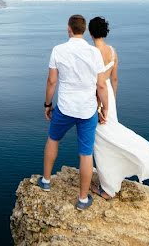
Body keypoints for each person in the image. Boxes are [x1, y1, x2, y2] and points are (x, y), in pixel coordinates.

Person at [89, 16, 149, 199]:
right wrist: (111, 102)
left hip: (97, 97)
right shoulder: (112, 51)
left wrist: (99, 105)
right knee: (111, 134)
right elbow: (114, 79)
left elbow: (95, 83)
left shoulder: (91, 52)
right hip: (109, 95)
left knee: (101, 141)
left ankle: (108, 188)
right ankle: (116, 177)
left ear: (90, 32)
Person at [39, 14, 109, 210]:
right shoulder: (94, 53)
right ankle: (83, 199)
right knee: (86, 154)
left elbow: (52, 82)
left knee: (53, 139)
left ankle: (45, 181)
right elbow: (101, 86)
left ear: (69, 29)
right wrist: (105, 109)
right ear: (84, 30)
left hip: (64, 107)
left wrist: (47, 105)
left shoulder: (58, 50)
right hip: (87, 110)